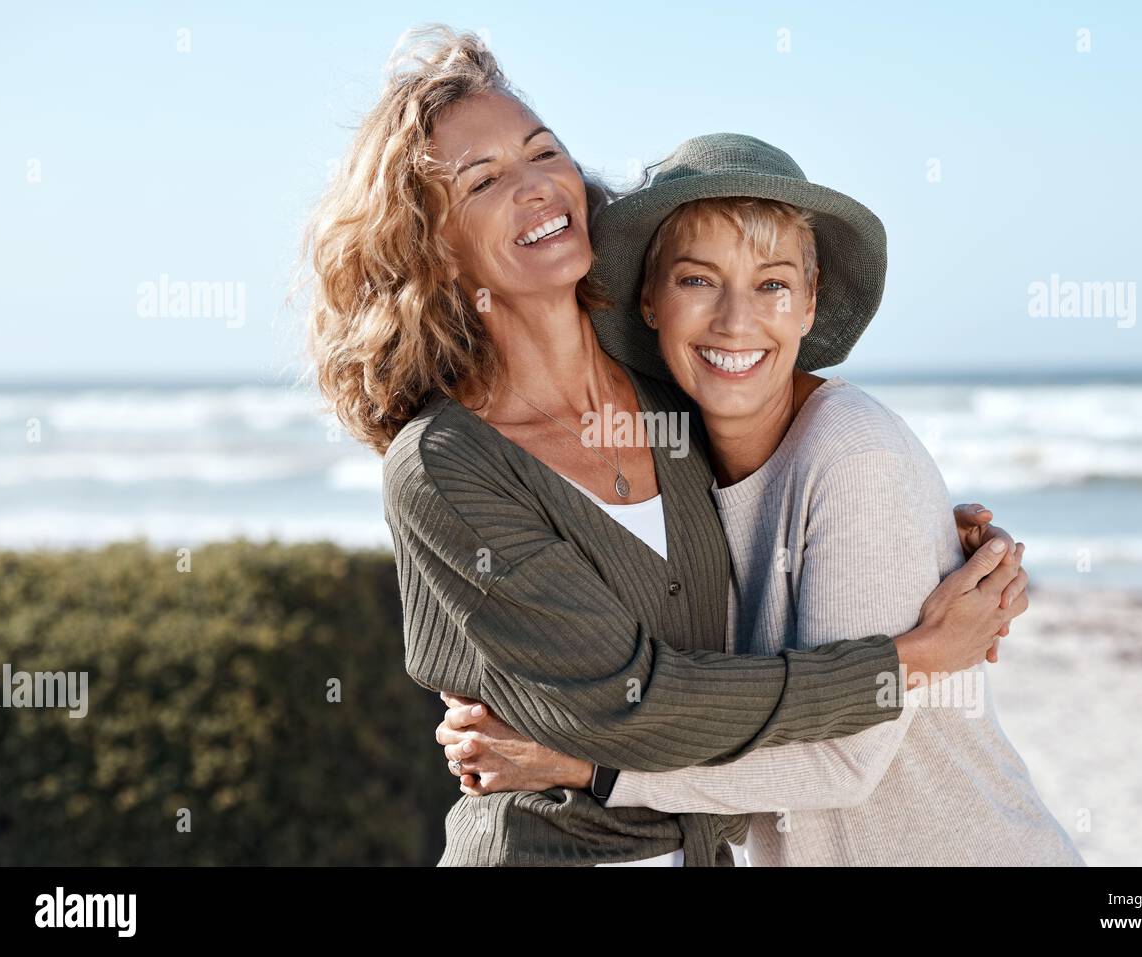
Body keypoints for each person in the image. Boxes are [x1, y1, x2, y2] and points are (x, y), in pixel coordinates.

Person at [306, 26, 1026, 866]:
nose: (536, 187)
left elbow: (788, 497)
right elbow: (631, 702)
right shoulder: (444, 465)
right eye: (485, 179)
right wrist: (905, 660)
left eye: (544, 152)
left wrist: (934, 537)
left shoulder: (670, 405)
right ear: (431, 245)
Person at [436, 134, 1082, 866]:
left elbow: (840, 763)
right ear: (650, 300)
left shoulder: (852, 454)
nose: (735, 321)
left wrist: (587, 767)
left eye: (772, 284)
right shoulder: (675, 465)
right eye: (697, 281)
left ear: (810, 304)